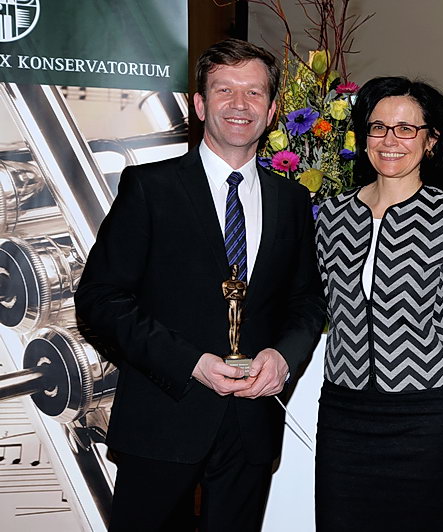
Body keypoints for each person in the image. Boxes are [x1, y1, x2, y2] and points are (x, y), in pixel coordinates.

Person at [75, 38, 325, 531]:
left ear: (272, 110)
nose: (239, 104)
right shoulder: (149, 188)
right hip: (163, 419)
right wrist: (190, 363)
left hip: (251, 426)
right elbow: (100, 300)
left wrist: (283, 358)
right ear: (199, 104)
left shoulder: (292, 200)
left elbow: (307, 301)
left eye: (253, 92)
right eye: (224, 90)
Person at [314, 77, 443, 532]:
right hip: (345, 416)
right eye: (378, 127)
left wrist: (435, 369)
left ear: (431, 141)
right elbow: (318, 304)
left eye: (406, 129)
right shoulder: (333, 216)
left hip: (429, 418)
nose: (389, 140)